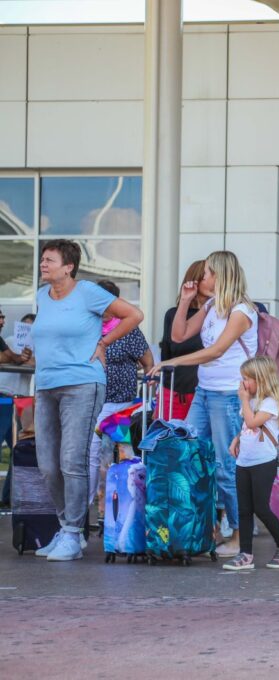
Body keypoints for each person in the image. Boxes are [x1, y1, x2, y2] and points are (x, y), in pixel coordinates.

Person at [32, 239, 144, 562]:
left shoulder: (88, 293)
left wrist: (104, 342)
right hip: (46, 386)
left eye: (49, 260)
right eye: (43, 259)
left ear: (68, 267)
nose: (43, 264)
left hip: (82, 384)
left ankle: (72, 533)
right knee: (48, 465)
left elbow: (134, 315)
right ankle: (68, 527)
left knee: (72, 460)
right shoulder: (42, 296)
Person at [150, 250, 258, 557]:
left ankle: (239, 535)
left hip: (227, 394)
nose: (202, 278)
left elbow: (216, 352)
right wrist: (185, 300)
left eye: (208, 273)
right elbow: (179, 335)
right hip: (205, 390)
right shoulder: (211, 305)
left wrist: (170, 363)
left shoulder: (241, 311)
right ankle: (204, 528)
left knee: (226, 466)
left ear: (222, 276)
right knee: (190, 457)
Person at [222, 356, 279, 570]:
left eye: (247, 378)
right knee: (244, 509)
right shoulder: (252, 401)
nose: (243, 383)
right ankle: (245, 553)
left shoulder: (270, 402)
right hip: (244, 461)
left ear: (261, 379)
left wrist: (244, 400)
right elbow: (246, 426)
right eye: (242, 378)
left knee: (261, 508)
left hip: (263, 461)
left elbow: (253, 422)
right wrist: (237, 439)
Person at [86, 280, 154, 509]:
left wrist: (148, 398)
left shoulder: (128, 330)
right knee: (93, 455)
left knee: (124, 455)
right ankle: (87, 508)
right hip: (94, 403)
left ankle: (125, 506)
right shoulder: (87, 326)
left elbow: (148, 362)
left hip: (122, 406)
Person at [158, 260, 209, 420]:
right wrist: (160, 397)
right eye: (207, 276)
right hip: (175, 389)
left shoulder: (218, 314)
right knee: (173, 439)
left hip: (207, 389)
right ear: (196, 280)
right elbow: (166, 355)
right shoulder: (174, 314)